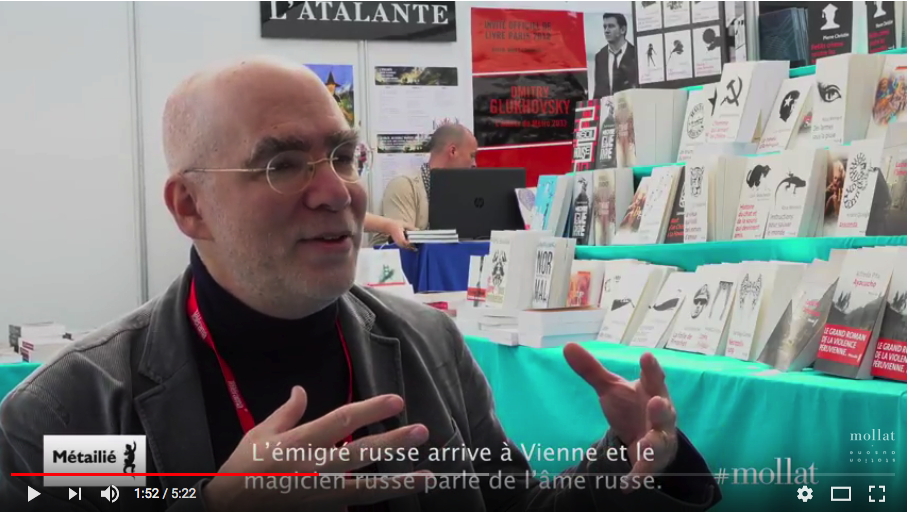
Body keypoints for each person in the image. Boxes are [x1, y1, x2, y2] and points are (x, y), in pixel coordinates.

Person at [0, 57, 721, 511]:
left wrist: (621, 460)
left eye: (344, 156)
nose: (336, 192)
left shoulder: (431, 344)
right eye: (283, 164)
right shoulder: (72, 415)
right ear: (190, 207)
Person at [371, 123, 477, 245]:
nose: (475, 164)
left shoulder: (463, 193)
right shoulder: (405, 186)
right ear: (453, 151)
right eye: (472, 156)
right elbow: (402, 245)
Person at [593, 13, 638, 99]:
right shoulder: (600, 57)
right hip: (607, 106)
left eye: (611, 26)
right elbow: (598, 91)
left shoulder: (636, 54)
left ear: (623, 29)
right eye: (605, 27)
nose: (606, 30)